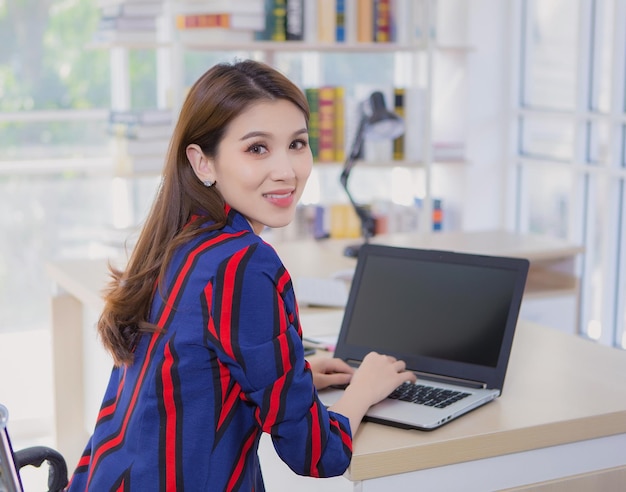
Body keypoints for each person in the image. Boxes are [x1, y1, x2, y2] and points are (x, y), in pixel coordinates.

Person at [66, 59, 415, 491]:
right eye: (257, 148)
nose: (286, 170)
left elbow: (197, 369)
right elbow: (315, 453)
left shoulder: (179, 240)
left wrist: (293, 372)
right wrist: (364, 389)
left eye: (297, 144)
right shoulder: (244, 264)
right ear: (203, 163)